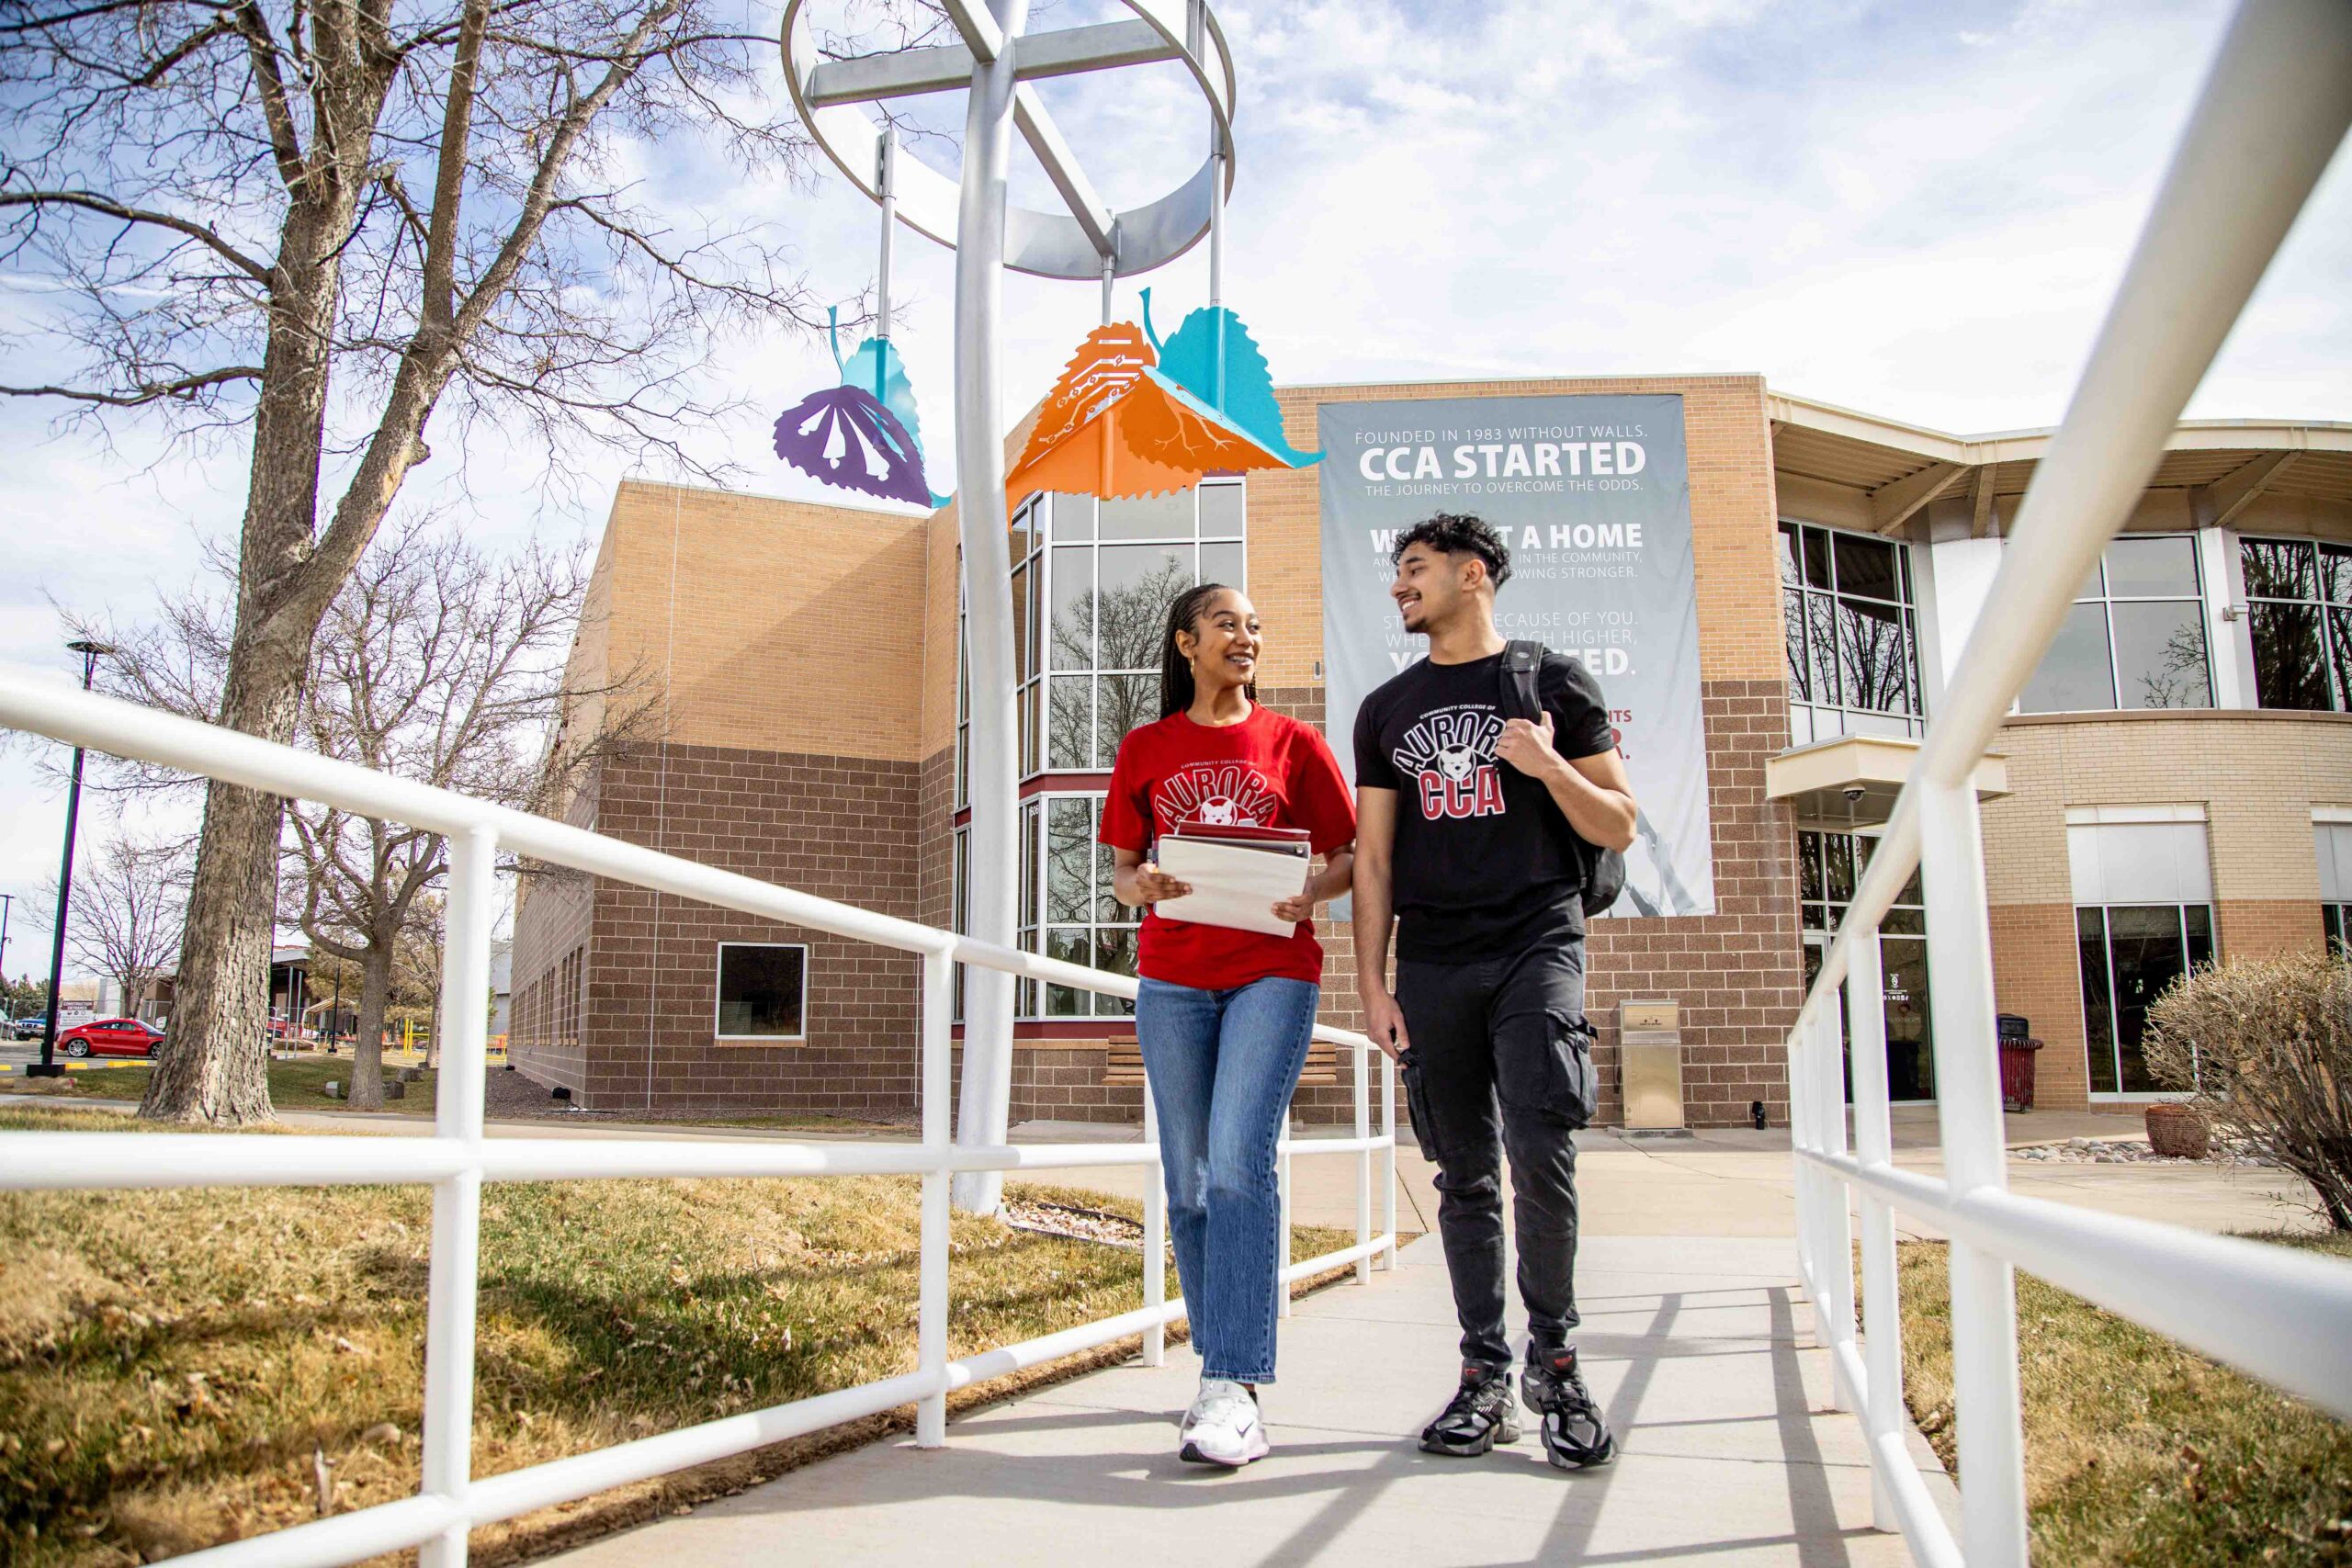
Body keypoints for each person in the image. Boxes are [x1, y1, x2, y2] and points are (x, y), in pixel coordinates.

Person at [1349, 513, 1638, 1471]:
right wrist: (1371, 982)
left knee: (1541, 1152)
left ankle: (1556, 1365)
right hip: (1433, 959)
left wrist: (1546, 762)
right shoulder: (1385, 710)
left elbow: (1619, 824)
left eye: (1415, 567)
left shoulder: (1554, 682)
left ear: (1472, 574)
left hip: (1536, 941)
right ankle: (1483, 1375)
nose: (1400, 585)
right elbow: (1375, 861)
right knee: (1462, 1173)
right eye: (1397, 570)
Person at [1102, 582, 1357, 1468]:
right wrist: (1144, 885)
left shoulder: (1295, 743)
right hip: (1172, 979)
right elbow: (1123, 873)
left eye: (1254, 626)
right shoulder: (1146, 748)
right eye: (1227, 624)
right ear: (1187, 642)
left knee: (1241, 1162)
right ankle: (1221, 1375)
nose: (1246, 637)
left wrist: (1313, 888)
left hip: (1271, 972)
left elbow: (1346, 855)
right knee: (1190, 1182)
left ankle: (1235, 1385)